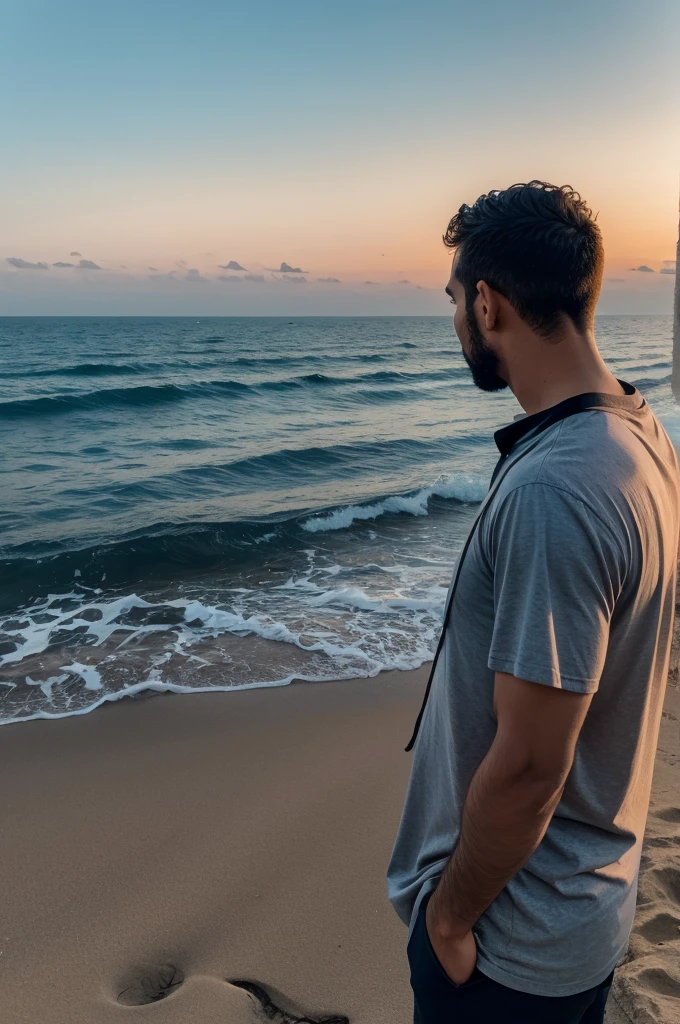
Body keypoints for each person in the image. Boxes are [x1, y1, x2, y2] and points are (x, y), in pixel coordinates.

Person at [386, 181, 680, 1023]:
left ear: (487, 304)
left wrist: (446, 918)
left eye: (454, 300)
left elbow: (529, 766)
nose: (455, 323)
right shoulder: (639, 431)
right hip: (582, 913)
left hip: (510, 947)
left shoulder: (558, 488)